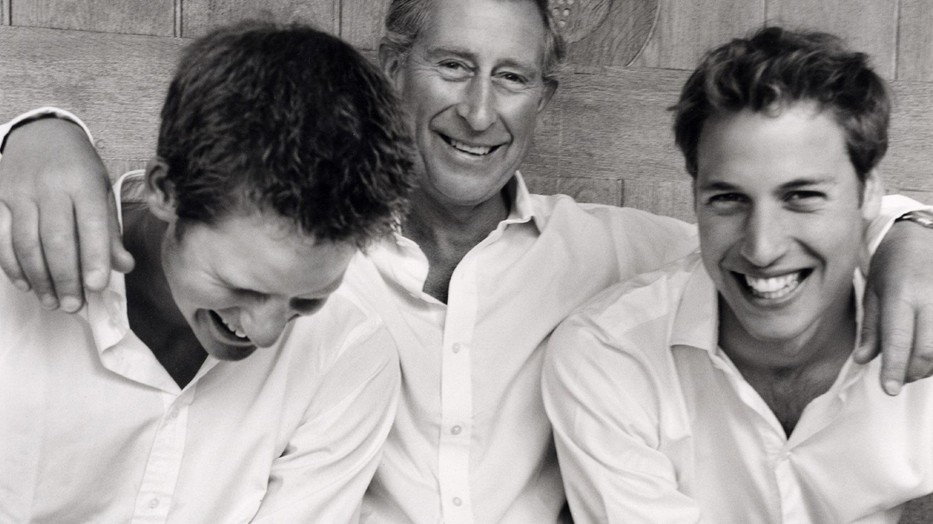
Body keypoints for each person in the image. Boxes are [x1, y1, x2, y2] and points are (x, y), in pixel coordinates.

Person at [1, 1, 933, 522]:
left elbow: (765, 224)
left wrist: (907, 232)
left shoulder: (623, 259)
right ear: (391, 66)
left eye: (514, 77)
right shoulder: (323, 256)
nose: (481, 112)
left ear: (542, 99)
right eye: (452, 66)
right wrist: (34, 130)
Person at [0, 21, 415, 522]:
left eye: (308, 299)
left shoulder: (350, 352)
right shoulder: (12, 280)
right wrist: (34, 128)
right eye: (241, 286)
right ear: (166, 191)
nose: (264, 333)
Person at [543, 27, 933, 523]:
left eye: (802, 196)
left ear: (870, 192)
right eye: (728, 199)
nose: (761, 247)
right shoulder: (609, 355)